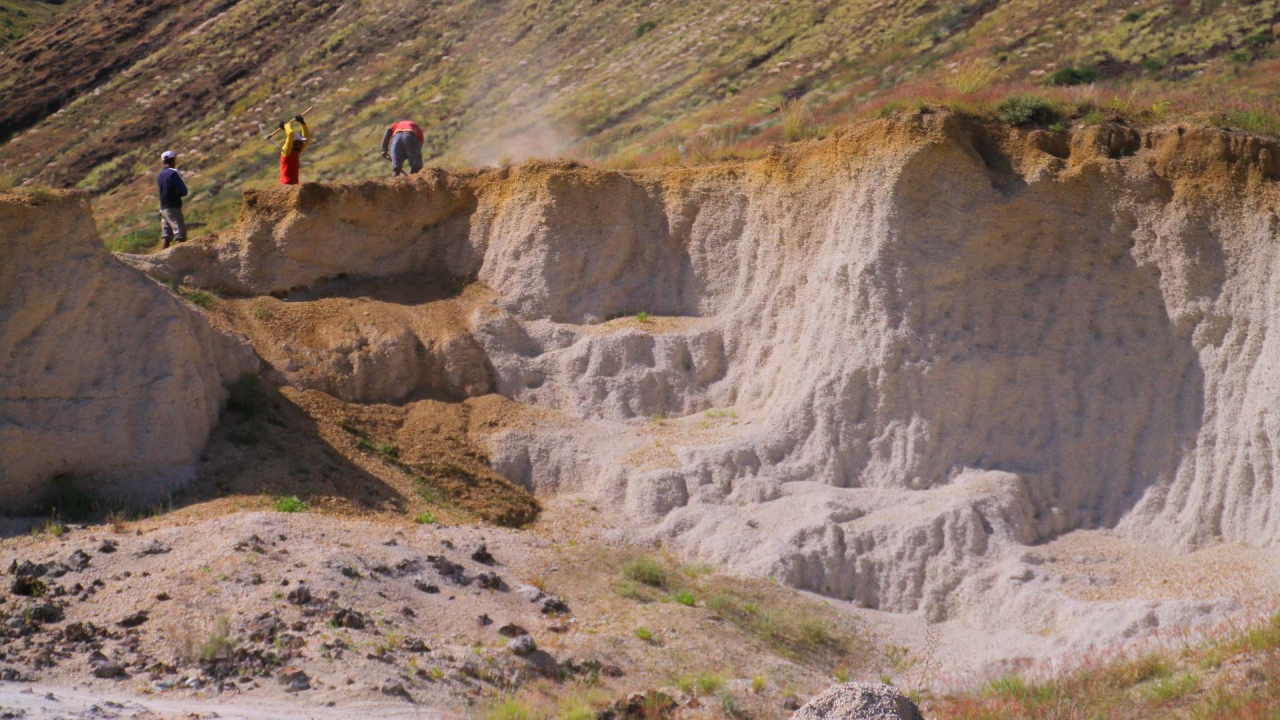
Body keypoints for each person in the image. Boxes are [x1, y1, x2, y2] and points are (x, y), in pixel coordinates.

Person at [157, 150, 188, 249]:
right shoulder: (174, 173)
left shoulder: (160, 174)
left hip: (163, 207)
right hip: (173, 206)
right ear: (174, 160)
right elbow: (183, 190)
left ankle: (162, 254)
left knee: (166, 234)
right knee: (180, 233)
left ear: (163, 162)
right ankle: (181, 255)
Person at [278, 115, 310, 185]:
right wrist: (286, 125)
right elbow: (290, 134)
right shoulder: (286, 151)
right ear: (293, 142)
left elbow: (307, 139)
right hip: (285, 187)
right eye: (299, 142)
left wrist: (302, 123)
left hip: (294, 187)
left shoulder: (297, 152)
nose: (301, 144)